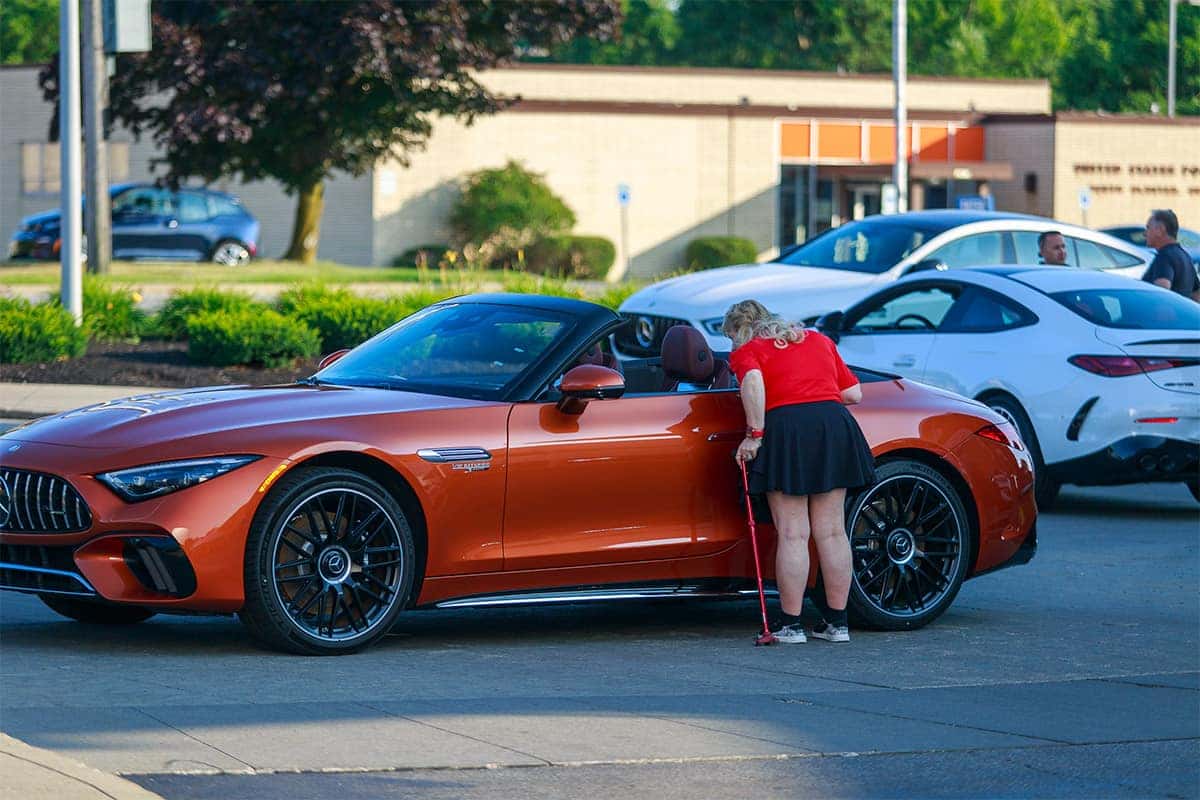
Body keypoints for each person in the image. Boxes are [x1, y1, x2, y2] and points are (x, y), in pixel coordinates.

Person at [723, 300, 875, 644]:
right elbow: (854, 393)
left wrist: (754, 435)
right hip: (833, 426)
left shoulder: (749, 350)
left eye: (731, 336)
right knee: (833, 532)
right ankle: (837, 625)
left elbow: (753, 383)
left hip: (787, 431)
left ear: (740, 331)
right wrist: (811, 387)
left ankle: (791, 627)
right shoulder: (818, 340)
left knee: (793, 533)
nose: (732, 345)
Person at [1142, 209, 1199, 300]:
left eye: (1148, 228)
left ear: (1160, 230)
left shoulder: (1165, 256)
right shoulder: (1185, 256)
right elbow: (1197, 295)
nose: (1144, 234)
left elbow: (1161, 293)